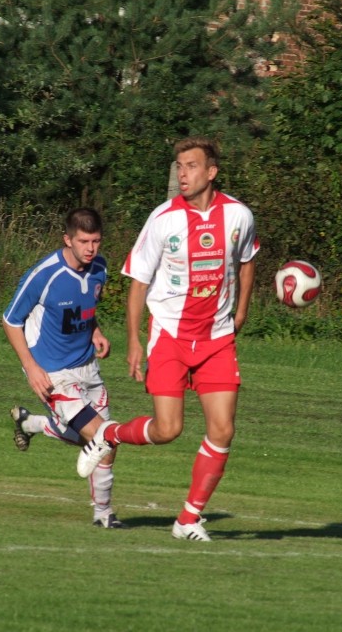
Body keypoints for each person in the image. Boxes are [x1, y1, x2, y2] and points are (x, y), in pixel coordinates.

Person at [76, 136, 259, 542]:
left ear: (211, 172)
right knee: (167, 430)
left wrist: (242, 310)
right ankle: (109, 434)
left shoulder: (240, 216)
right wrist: (136, 341)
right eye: (179, 166)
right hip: (170, 336)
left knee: (223, 430)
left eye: (191, 166)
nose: (182, 174)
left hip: (217, 339)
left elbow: (247, 261)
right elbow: (138, 283)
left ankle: (188, 519)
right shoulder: (163, 219)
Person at [2, 207, 124, 529]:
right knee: (104, 436)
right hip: (52, 373)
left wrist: (95, 330)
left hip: (87, 366)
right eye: (83, 241)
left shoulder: (100, 267)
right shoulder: (44, 275)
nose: (91, 248)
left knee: (102, 446)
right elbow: (10, 321)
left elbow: (86, 307)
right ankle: (104, 517)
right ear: (66, 239)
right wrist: (31, 367)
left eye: (96, 241)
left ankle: (32, 424)